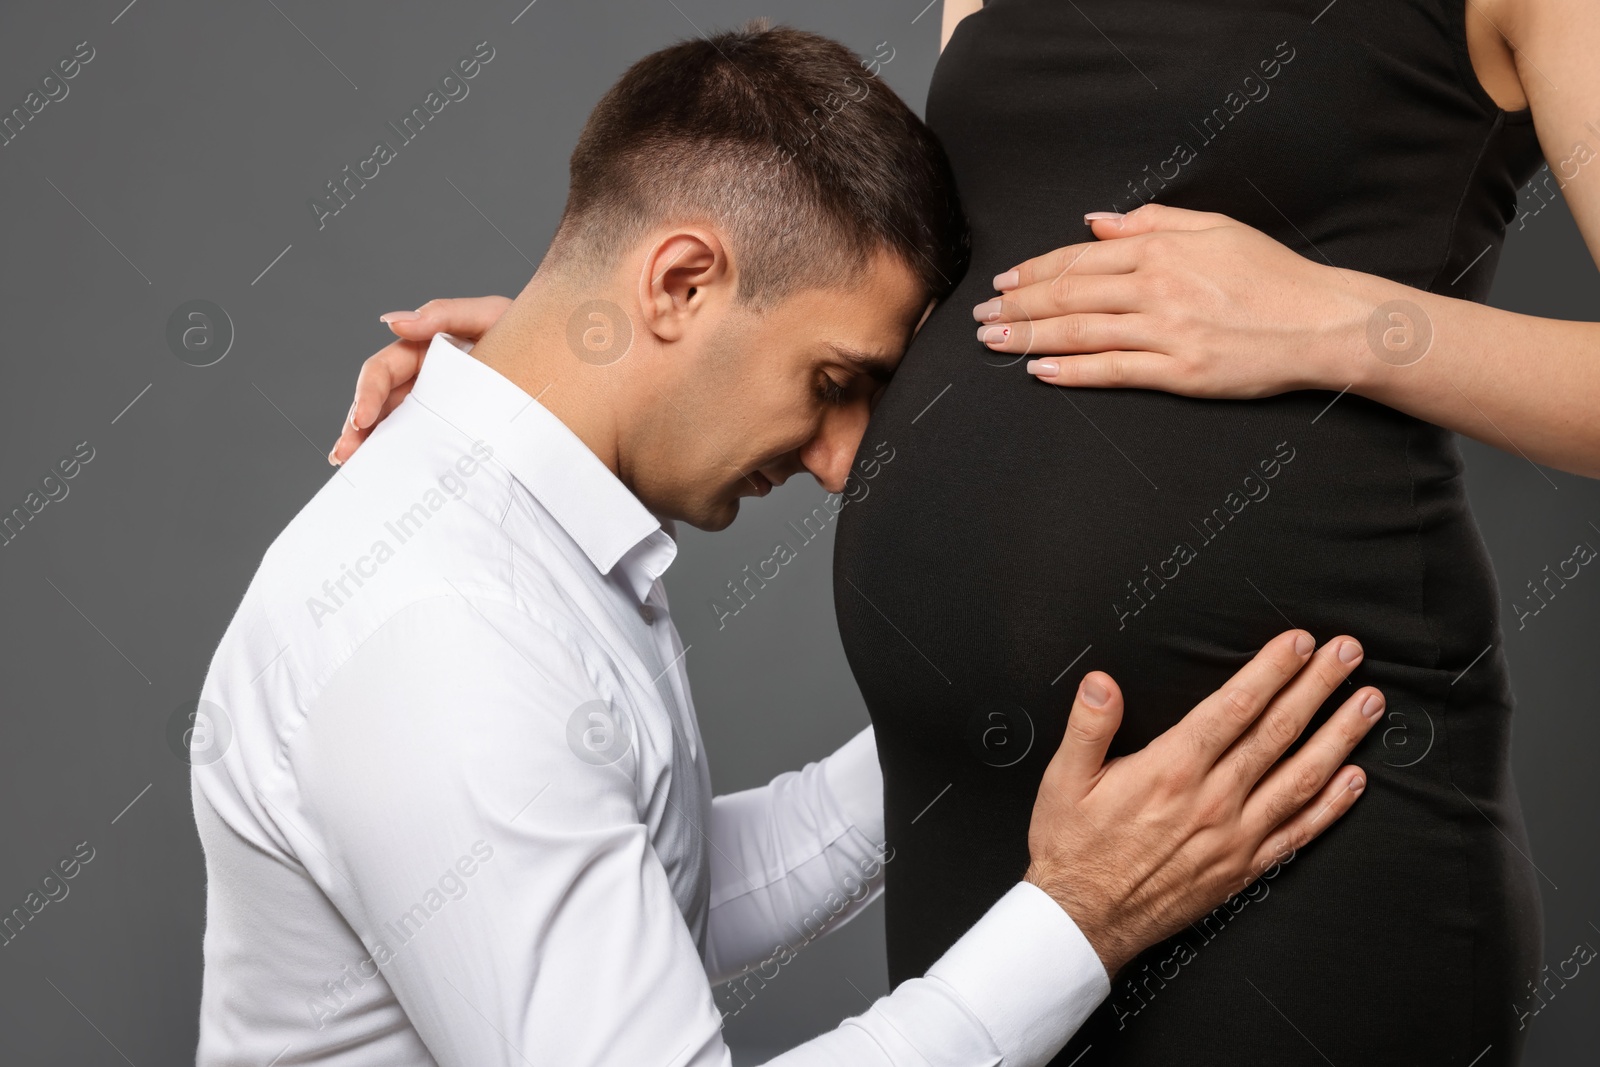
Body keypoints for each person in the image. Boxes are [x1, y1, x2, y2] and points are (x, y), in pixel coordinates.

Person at [342, 3, 1600, 1063]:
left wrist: (1337, 321)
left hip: (1279, 799)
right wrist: (587, 360)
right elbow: (978, 294)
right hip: (994, 814)